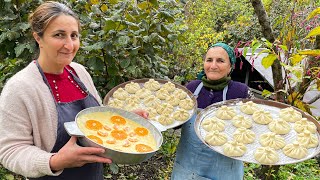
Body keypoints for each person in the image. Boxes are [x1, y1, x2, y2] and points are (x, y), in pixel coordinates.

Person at [0, 1, 147, 179]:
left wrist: (125, 121)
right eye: (59, 35)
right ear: (38, 38)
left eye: (74, 35)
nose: (69, 45)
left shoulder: (79, 72)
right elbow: (10, 151)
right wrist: (55, 161)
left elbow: (98, 121)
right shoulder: (20, 88)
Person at [171, 42, 253, 179]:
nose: (213, 66)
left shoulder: (242, 92)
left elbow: (254, 129)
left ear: (230, 67)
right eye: (209, 60)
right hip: (187, 169)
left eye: (220, 61)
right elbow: (175, 123)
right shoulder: (191, 88)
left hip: (225, 171)